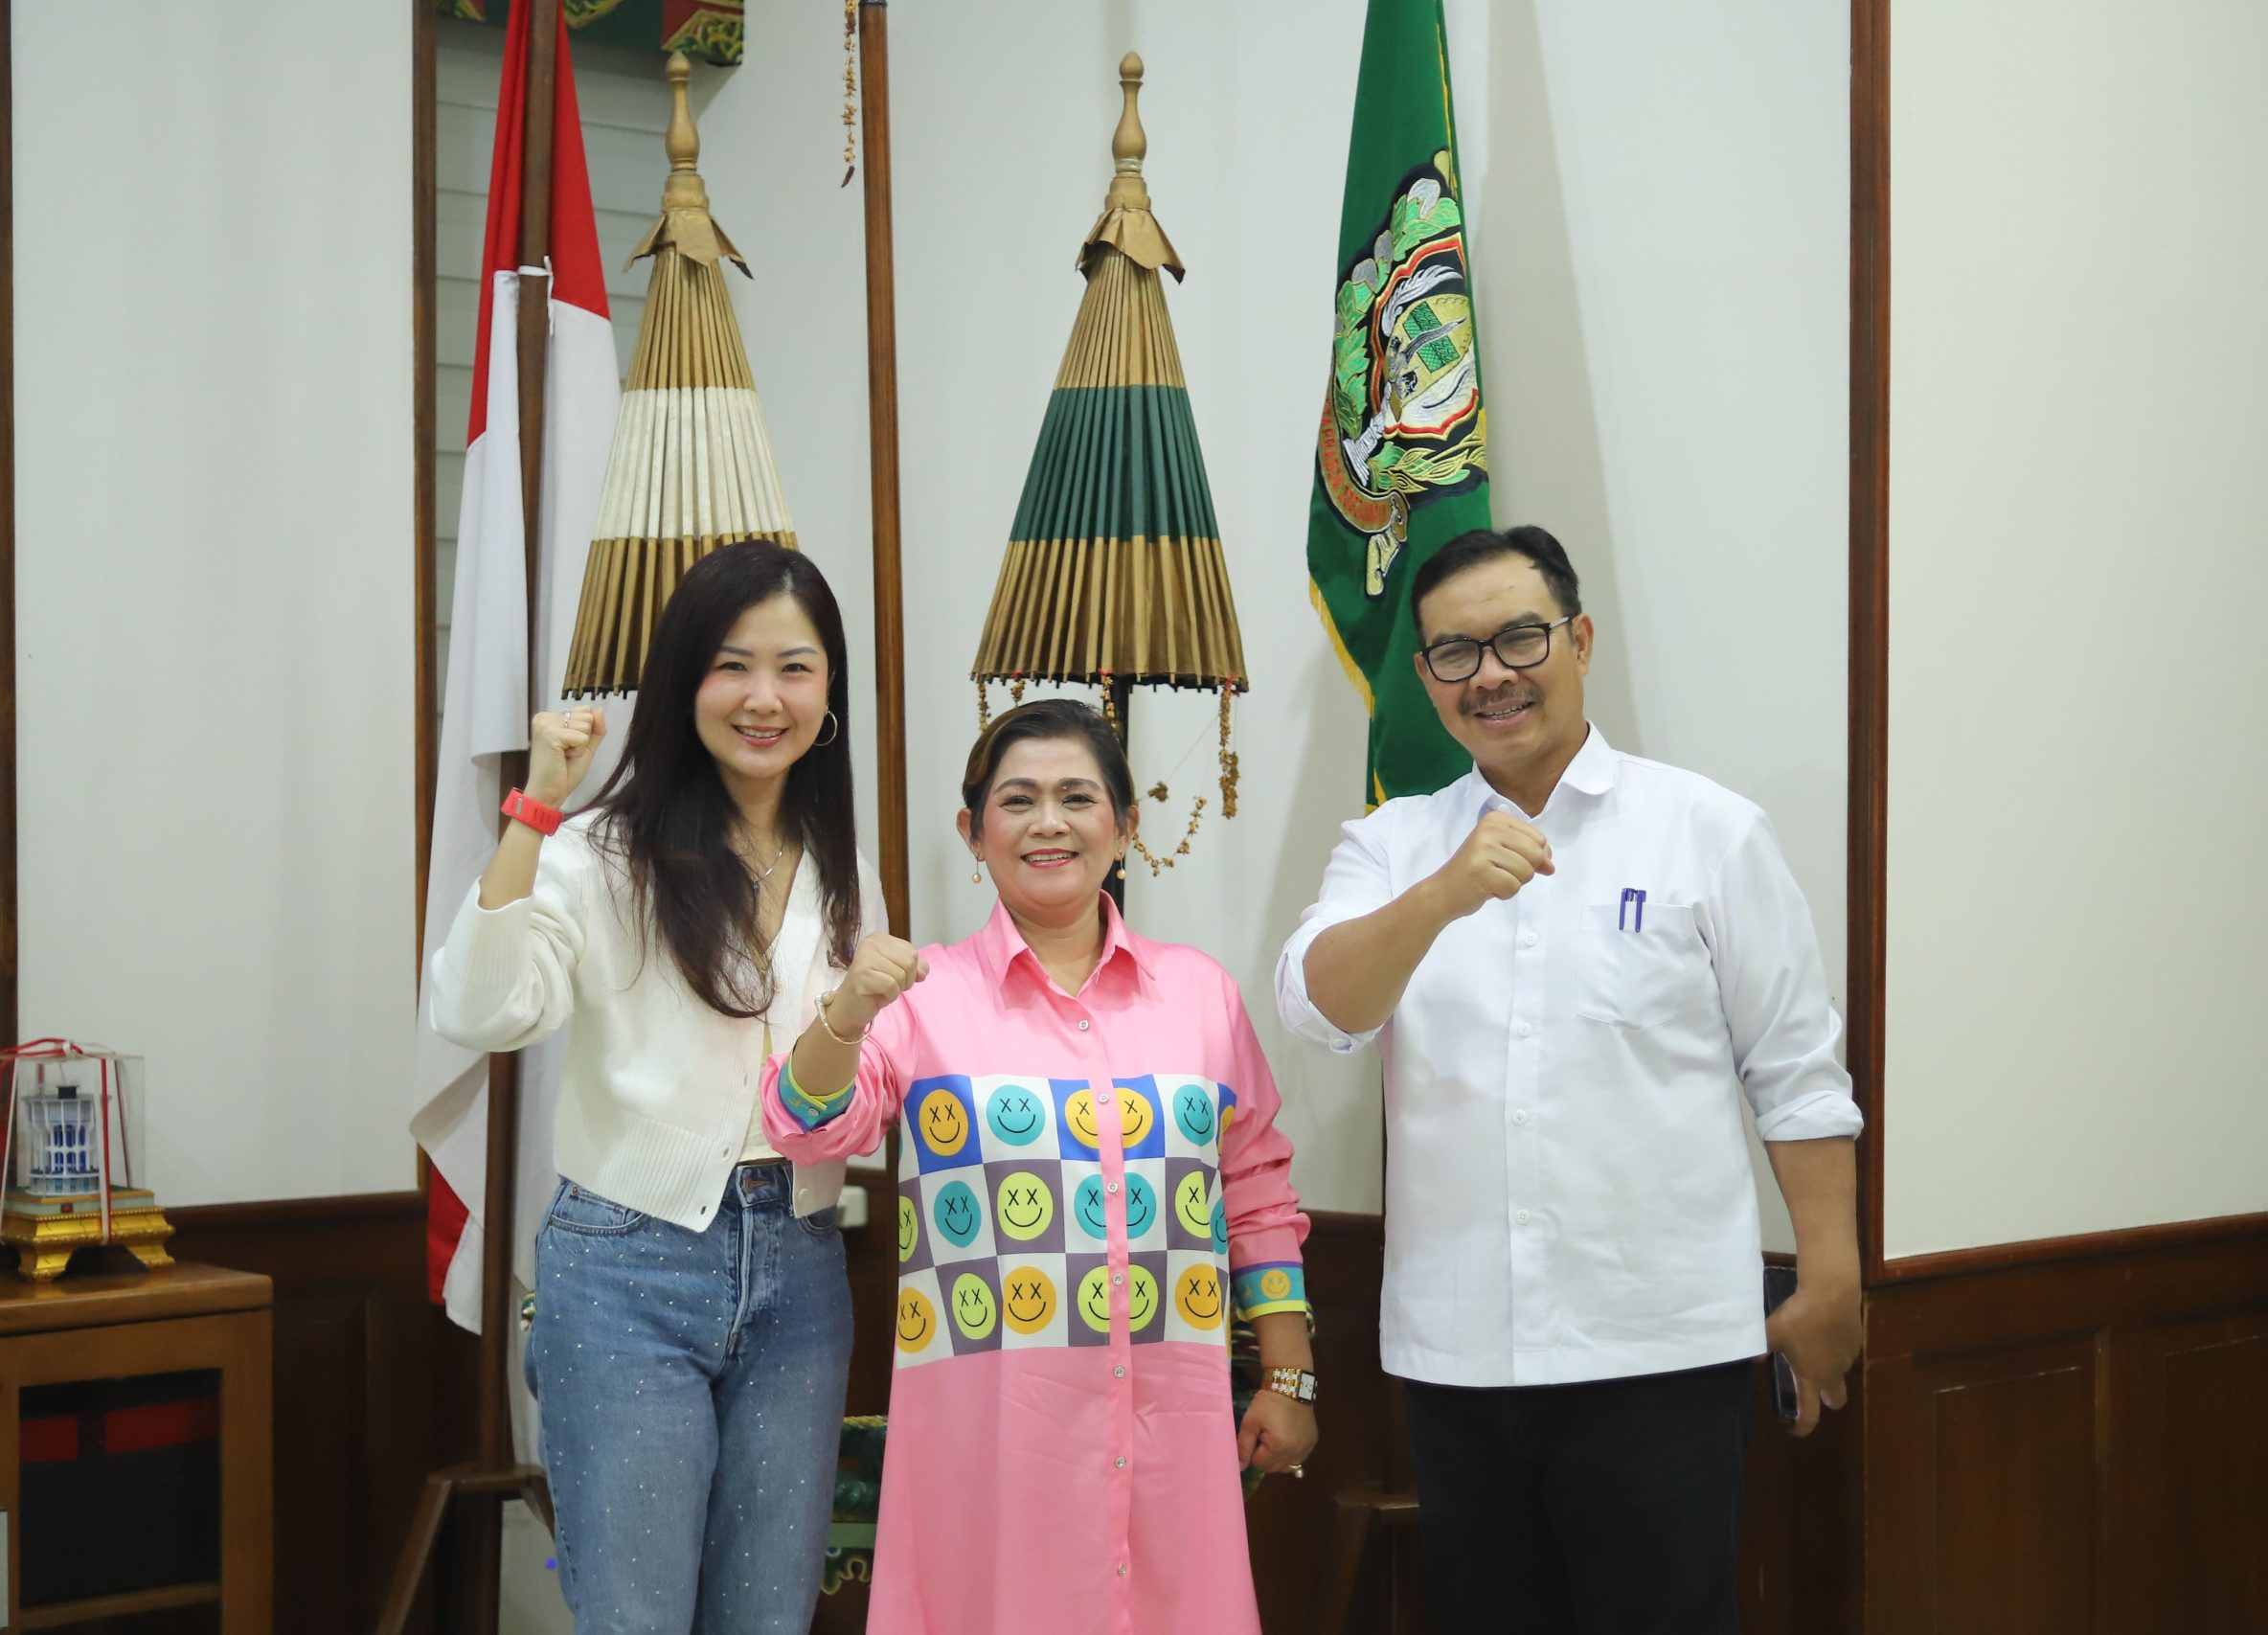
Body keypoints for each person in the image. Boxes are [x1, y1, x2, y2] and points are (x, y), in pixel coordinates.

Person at [1276, 525, 1862, 1634]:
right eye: (1454, 653)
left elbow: (1792, 1071)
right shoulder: (1391, 847)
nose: (1490, 674)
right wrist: (1440, 896)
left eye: (1518, 638)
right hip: (1461, 1359)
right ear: (1426, 681)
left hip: (1661, 1349)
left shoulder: (1706, 830)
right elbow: (1318, 1011)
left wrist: (1828, 1276)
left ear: (1579, 640)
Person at [763, 699, 1317, 1634]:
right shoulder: (921, 1001)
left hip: (1170, 1421)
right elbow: (806, 1128)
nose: (1048, 822)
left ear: (1125, 826)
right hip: (988, 1443)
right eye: (1016, 800)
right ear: (972, 832)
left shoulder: (1199, 996)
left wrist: (1289, 1374)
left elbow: (1255, 1186)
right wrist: (848, 1010)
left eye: (1077, 797)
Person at [428, 539, 873, 1634]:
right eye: (731, 666)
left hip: (806, 1268)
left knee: (768, 1622)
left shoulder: (839, 858)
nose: (763, 698)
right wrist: (535, 807)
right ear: (682, 685)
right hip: (627, 1268)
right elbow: (478, 1010)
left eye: (795, 668)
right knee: (635, 1620)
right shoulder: (600, 851)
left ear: (829, 693)